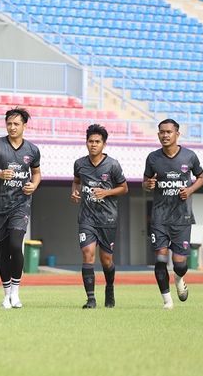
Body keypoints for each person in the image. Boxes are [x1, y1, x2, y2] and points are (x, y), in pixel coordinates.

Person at [0, 107, 41, 309]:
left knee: (16, 245)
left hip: (21, 205)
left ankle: (16, 292)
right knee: (3, 251)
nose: (12, 127)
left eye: (16, 124)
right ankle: (6, 295)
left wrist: (34, 184)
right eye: (9, 124)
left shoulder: (32, 150)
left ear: (24, 126)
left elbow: (37, 173)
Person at [143, 119, 203, 310]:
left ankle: (179, 279)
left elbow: (201, 178)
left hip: (182, 218)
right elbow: (145, 182)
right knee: (160, 259)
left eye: (169, 132)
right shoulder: (152, 158)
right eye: (162, 132)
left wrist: (190, 190)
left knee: (179, 264)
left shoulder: (189, 156)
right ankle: (167, 301)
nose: (165, 135)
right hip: (159, 218)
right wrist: (148, 185)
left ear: (177, 134)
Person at [70, 124, 128, 309]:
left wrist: (106, 192)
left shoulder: (112, 165)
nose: (93, 144)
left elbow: (124, 188)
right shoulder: (79, 163)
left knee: (106, 260)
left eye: (97, 142)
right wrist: (75, 192)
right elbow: (77, 181)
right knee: (88, 254)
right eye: (90, 141)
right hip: (87, 218)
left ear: (104, 144)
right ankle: (91, 299)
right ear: (86, 143)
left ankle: (109, 287)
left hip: (108, 218)